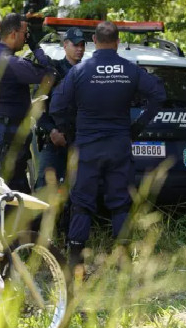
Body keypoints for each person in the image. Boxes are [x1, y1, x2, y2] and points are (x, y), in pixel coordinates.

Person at [50, 21, 165, 271]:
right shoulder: (130, 70)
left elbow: (56, 105)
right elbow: (158, 94)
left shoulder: (81, 70)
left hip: (87, 146)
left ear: (94, 42)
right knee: (121, 201)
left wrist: (70, 133)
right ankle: (122, 259)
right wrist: (137, 127)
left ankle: (75, 260)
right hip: (119, 145)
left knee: (81, 201)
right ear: (117, 41)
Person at [0, 13, 55, 193]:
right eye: (24, 33)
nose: (26, 37)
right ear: (13, 34)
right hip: (10, 134)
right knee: (12, 186)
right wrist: (36, 48)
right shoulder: (14, 64)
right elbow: (51, 74)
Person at [35, 27, 86, 191]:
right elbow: (36, 106)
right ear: (65, 45)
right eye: (75, 45)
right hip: (55, 143)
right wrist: (51, 131)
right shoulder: (54, 72)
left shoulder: (89, 73)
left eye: (82, 45)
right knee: (44, 190)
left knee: (76, 194)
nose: (79, 49)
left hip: (80, 143)